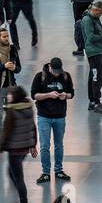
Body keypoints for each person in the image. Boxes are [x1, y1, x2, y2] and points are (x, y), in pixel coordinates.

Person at [30, 56, 74, 184]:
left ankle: (59, 170)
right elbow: (34, 95)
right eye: (54, 71)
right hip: (44, 116)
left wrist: (65, 95)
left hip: (60, 116)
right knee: (44, 145)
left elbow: (72, 93)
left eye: (58, 71)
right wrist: (49, 95)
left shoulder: (65, 76)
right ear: (49, 67)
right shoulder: (40, 76)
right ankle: (45, 172)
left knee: (59, 145)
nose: (56, 73)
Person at [0, 84, 37, 203]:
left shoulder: (12, 111)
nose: (8, 96)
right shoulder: (29, 107)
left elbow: (6, 132)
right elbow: (33, 127)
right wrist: (33, 144)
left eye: (10, 94)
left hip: (14, 149)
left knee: (18, 178)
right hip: (24, 148)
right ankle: (18, 194)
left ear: (15, 97)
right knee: (11, 172)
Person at [81, 0, 102, 114]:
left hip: (98, 51)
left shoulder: (94, 18)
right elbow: (90, 37)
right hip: (93, 53)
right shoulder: (87, 20)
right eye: (101, 12)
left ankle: (93, 101)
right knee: (97, 77)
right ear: (95, 10)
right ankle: (95, 101)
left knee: (94, 76)